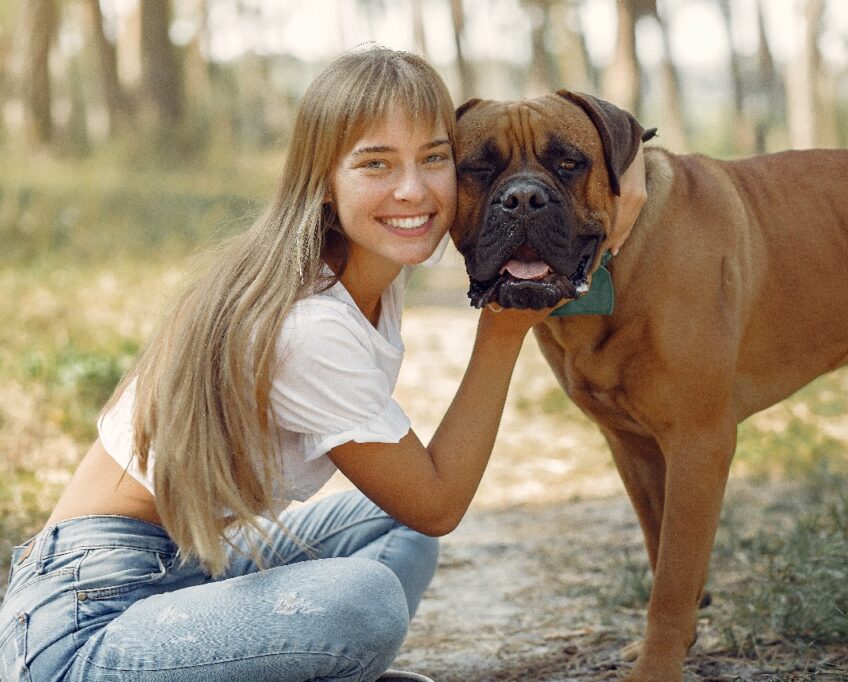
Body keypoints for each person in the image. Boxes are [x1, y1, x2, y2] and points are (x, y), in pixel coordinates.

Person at [0, 45, 646, 682]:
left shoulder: (367, 262)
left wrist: (626, 181)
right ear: (325, 183)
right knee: (364, 599)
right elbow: (440, 503)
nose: (412, 190)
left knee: (393, 528)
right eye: (375, 164)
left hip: (190, 566)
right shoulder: (309, 325)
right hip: (79, 632)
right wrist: (502, 335)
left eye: (434, 158)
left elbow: (624, 170)